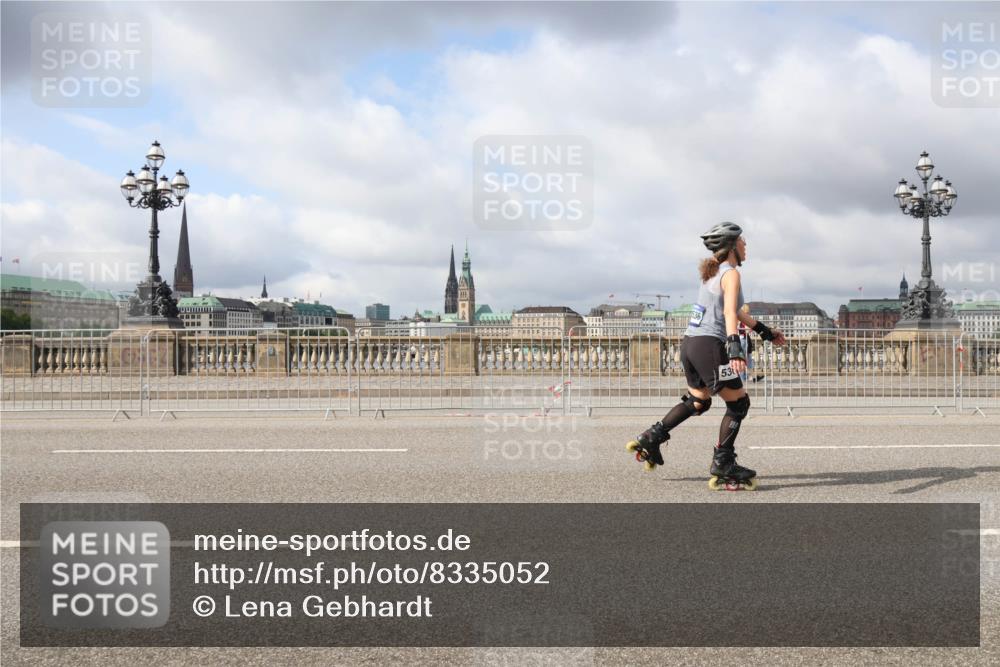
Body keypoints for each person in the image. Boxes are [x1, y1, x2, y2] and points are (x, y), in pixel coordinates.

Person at [626, 222, 787, 488]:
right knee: (739, 404)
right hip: (710, 346)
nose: (746, 246)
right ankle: (723, 462)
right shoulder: (731, 274)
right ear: (732, 246)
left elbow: (734, 310)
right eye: (743, 242)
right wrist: (735, 348)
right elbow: (727, 314)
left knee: (698, 400)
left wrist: (766, 331)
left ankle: (651, 438)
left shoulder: (711, 274)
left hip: (691, 345)